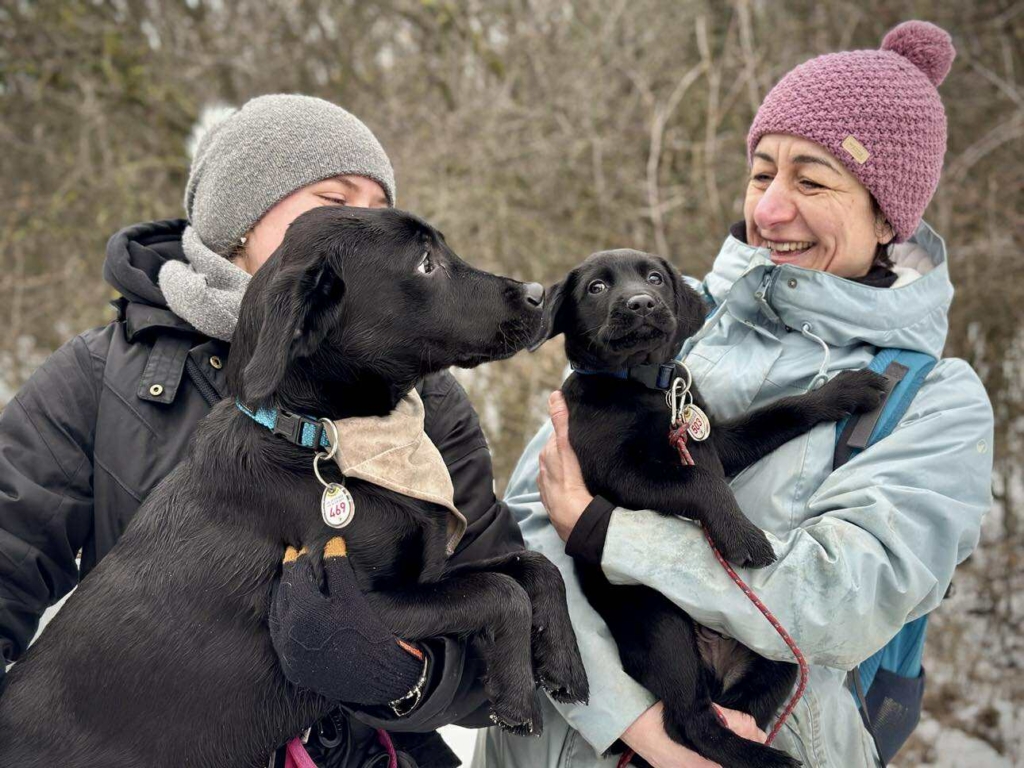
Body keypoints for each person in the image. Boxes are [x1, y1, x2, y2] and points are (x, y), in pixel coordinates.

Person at [475, 20, 993, 768]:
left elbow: (837, 604)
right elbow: (529, 532)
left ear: (888, 216)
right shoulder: (654, 321)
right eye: (761, 174)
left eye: (812, 180)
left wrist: (609, 534)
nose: (771, 211)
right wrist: (635, 726)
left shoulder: (934, 401)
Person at [0, 94, 524, 768]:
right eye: (333, 198)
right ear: (240, 220)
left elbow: (499, 650)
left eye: (376, 206)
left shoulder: (421, 397)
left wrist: (401, 678)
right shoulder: (104, 375)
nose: (359, 223)